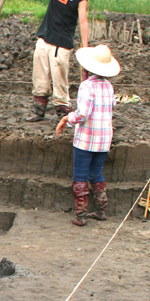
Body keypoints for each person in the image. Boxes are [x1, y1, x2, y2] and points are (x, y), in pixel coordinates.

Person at [25, 0, 90, 123]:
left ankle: (63, 114)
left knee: (60, 80)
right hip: (45, 39)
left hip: (62, 44)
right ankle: (39, 111)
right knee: (40, 77)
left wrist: (85, 47)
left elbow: (84, 21)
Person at [55, 45, 121, 226]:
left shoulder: (87, 86)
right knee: (96, 174)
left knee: (81, 175)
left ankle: (81, 215)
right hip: (104, 138)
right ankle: (101, 209)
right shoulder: (108, 86)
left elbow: (83, 114)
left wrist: (68, 118)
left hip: (86, 139)